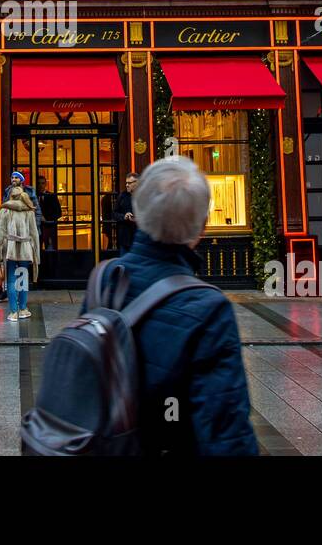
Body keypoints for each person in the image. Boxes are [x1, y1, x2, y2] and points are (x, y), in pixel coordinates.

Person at [83, 156, 258, 455]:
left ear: (140, 210)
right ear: (201, 227)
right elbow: (225, 433)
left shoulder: (104, 278)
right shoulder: (210, 309)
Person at [0, 185, 40, 322]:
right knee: (23, 277)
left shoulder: (5, 210)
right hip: (25, 248)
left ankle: (13, 312)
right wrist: (36, 253)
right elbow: (34, 233)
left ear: (11, 196)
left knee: (11, 280)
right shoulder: (29, 210)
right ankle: (23, 309)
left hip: (10, 248)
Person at [0, 171, 41, 301]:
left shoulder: (29, 192)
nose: (13, 179)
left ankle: (17, 307)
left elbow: (36, 210)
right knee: (13, 270)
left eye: (16, 177)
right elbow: (4, 212)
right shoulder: (8, 192)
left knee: (21, 271)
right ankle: (17, 304)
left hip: (24, 237)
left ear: (21, 180)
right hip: (11, 238)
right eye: (12, 177)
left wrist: (34, 230)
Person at [114, 172, 139, 254]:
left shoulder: (144, 197)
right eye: (126, 183)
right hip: (125, 239)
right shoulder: (122, 196)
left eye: (129, 183)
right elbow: (114, 213)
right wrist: (124, 216)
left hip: (139, 239)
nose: (127, 185)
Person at [37, 175, 62, 252]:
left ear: (45, 184)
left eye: (43, 183)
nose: (41, 185)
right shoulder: (33, 196)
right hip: (36, 229)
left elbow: (58, 213)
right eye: (39, 183)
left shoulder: (52, 196)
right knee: (37, 251)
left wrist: (47, 220)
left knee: (50, 251)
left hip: (49, 228)